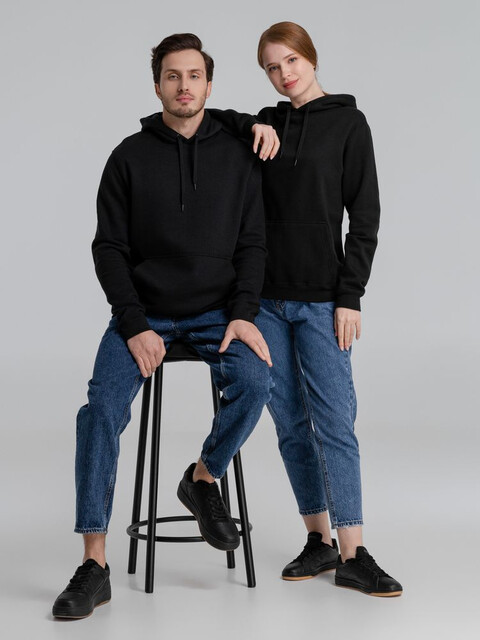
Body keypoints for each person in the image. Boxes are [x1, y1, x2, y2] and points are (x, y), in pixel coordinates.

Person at [52, 32, 273, 619]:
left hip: (218, 313)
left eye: (194, 75)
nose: (184, 86)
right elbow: (108, 248)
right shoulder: (127, 157)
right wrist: (132, 324)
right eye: (173, 76)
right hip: (144, 314)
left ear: (209, 84)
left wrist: (243, 314)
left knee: (257, 381)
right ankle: (94, 564)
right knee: (100, 410)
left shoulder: (238, 155)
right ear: (157, 86)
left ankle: (202, 477)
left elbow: (253, 244)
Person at [208, 21, 403, 597]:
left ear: (310, 58)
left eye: (290, 60)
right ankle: (318, 540)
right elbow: (214, 119)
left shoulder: (348, 123)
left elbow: (364, 216)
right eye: (272, 67)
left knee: (335, 422)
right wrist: (253, 124)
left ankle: (354, 551)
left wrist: (350, 296)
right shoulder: (266, 124)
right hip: (264, 302)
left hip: (322, 302)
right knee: (290, 423)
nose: (283, 73)